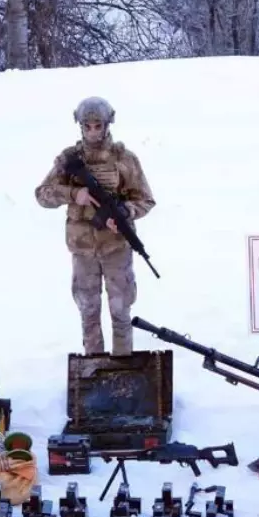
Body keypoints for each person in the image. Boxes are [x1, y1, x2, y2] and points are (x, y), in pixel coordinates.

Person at [35, 96, 156, 356]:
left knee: (120, 311)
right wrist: (72, 194)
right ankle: (92, 369)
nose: (92, 132)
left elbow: (146, 199)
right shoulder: (68, 160)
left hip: (116, 247)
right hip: (83, 250)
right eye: (87, 126)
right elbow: (42, 194)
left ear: (107, 125)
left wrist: (125, 212)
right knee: (88, 312)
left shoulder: (125, 159)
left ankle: (123, 369)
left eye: (97, 126)